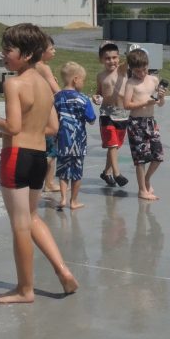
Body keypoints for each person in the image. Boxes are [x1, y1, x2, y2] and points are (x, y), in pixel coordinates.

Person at [0, 24, 79, 303]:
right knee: (31, 219)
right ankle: (63, 270)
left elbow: (14, 125)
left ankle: (25, 289)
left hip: (16, 157)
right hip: (38, 158)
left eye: (8, 50)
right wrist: (6, 129)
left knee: (20, 225)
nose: (3, 54)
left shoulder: (14, 83)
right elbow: (53, 128)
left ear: (27, 53)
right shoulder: (45, 85)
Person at [122, 48, 167, 200]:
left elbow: (160, 104)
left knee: (158, 155)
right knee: (140, 158)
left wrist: (161, 97)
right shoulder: (131, 83)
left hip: (150, 121)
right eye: (138, 71)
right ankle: (142, 190)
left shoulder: (154, 80)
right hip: (136, 123)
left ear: (148, 65)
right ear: (131, 69)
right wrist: (143, 103)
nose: (142, 73)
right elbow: (126, 105)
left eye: (144, 69)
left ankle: (147, 179)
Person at [53, 61, 97, 210]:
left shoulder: (56, 97)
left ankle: (63, 198)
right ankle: (74, 201)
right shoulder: (83, 99)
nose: (83, 83)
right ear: (76, 79)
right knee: (77, 171)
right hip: (78, 140)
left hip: (61, 139)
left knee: (63, 170)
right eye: (83, 80)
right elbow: (91, 120)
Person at [94, 41, 130, 188]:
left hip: (122, 114)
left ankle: (105, 172)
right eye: (107, 58)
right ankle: (117, 174)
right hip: (106, 113)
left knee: (114, 146)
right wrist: (96, 97)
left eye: (114, 57)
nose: (111, 61)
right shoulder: (101, 75)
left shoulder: (121, 70)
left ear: (119, 58)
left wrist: (131, 50)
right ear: (101, 60)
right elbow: (99, 92)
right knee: (112, 143)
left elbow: (129, 61)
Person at [34, 37, 61, 193]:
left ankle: (41, 180)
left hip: (34, 112)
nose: (54, 51)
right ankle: (49, 183)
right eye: (52, 49)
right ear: (42, 52)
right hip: (46, 112)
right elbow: (56, 90)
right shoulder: (44, 68)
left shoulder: (32, 67)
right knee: (50, 151)